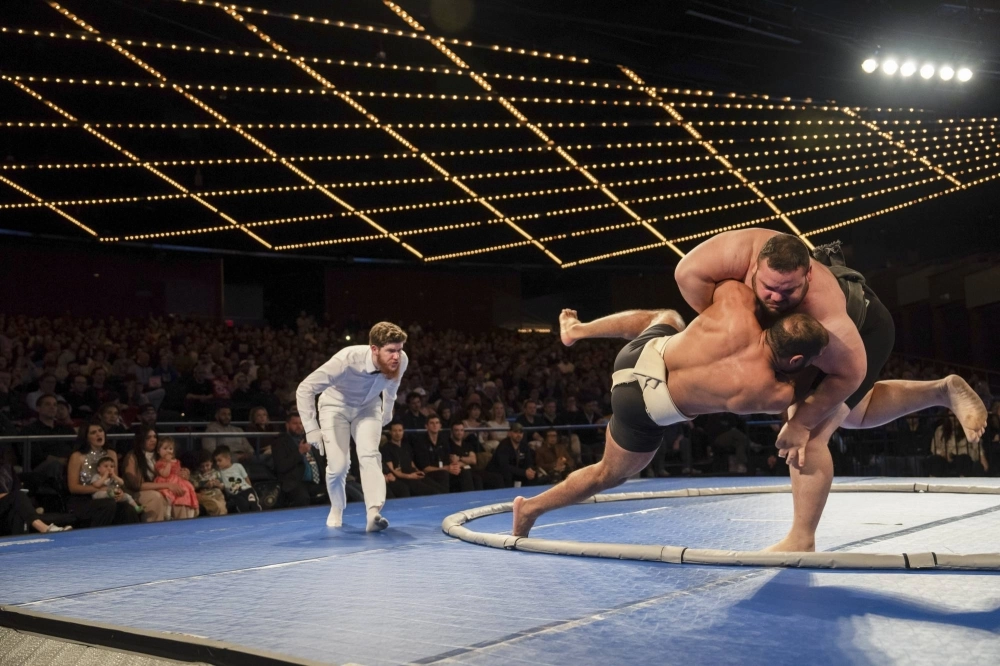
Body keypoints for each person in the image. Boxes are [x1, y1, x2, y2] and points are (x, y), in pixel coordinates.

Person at [674, 230, 988, 551]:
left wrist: (801, 424)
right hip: (808, 336)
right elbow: (686, 274)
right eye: (769, 287)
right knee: (857, 415)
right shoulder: (735, 254)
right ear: (755, 267)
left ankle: (802, 538)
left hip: (865, 331)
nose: (777, 298)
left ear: (808, 273)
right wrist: (731, 324)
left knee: (808, 437)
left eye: (789, 290)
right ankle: (941, 391)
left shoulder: (828, 317)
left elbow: (851, 373)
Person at [511, 285, 829, 537]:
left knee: (669, 317)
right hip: (648, 406)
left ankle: (577, 330)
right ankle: (530, 509)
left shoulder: (737, 301)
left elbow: (716, 274)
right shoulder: (774, 393)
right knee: (606, 475)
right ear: (798, 360)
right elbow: (818, 388)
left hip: (638, 356)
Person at [296, 322, 408, 531]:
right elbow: (305, 388)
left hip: (368, 407)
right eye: (391, 351)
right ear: (374, 349)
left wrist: (387, 410)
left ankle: (373, 513)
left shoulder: (402, 360)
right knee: (338, 467)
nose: (397, 356)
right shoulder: (346, 360)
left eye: (399, 350)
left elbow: (393, 386)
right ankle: (337, 507)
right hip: (335, 407)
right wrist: (311, 428)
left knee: (370, 454)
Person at [66, 420, 141, 528]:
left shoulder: (111, 453)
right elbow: (73, 487)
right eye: (93, 432)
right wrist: (100, 489)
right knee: (108, 504)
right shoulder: (77, 456)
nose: (98, 434)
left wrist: (118, 492)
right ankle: (98, 539)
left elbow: (115, 481)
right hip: (83, 499)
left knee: (127, 507)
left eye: (100, 431)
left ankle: (134, 540)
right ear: (86, 437)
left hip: (108, 496)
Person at [0, 452, 71, 535]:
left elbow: (18, 488)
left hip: (8, 506)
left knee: (18, 509)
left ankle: (20, 543)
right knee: (17, 498)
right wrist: (10, 497)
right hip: (6, 502)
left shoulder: (6, 467)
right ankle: (45, 529)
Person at [271, 411, 327, 508]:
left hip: (317, 482)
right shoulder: (279, 442)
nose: (299, 426)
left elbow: (321, 461)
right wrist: (299, 452)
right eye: (295, 423)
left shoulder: (309, 439)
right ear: (287, 425)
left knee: (336, 493)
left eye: (301, 423)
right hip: (295, 482)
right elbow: (281, 466)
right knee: (303, 498)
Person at [120, 426, 172, 523]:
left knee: (180, 494)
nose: (153, 440)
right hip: (136, 493)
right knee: (155, 496)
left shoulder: (161, 454)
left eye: (154, 437)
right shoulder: (133, 456)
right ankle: (154, 532)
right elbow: (136, 485)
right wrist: (168, 485)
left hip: (160, 489)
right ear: (141, 440)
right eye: (148, 438)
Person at [380, 422, 444, 496]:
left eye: (400, 430)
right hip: (404, 477)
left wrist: (417, 471)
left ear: (403, 431)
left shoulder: (406, 446)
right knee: (431, 491)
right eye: (395, 431)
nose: (397, 433)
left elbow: (411, 462)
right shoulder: (386, 448)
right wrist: (410, 476)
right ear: (390, 432)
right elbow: (392, 470)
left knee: (440, 489)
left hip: (414, 474)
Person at [154, 437, 199, 519]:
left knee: (189, 487)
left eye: (170, 449)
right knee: (169, 493)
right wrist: (168, 462)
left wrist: (184, 473)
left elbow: (178, 472)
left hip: (177, 481)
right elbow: (165, 474)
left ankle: (191, 509)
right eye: (165, 448)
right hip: (166, 481)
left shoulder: (177, 461)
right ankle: (168, 509)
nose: (168, 451)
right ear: (158, 451)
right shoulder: (160, 463)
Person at [485, 423, 539, 488]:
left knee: (533, 475)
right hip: (498, 471)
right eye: (516, 432)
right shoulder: (504, 445)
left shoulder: (524, 445)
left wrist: (529, 470)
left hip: (516, 471)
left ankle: (530, 496)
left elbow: (529, 461)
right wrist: (524, 472)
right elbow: (504, 466)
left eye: (521, 433)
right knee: (507, 475)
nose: (518, 435)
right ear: (510, 433)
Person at [214, 445, 261, 513]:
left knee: (253, 504)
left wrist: (250, 488)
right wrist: (218, 485)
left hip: (247, 489)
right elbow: (222, 486)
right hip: (235, 494)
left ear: (228, 459)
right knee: (243, 506)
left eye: (219, 460)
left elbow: (246, 478)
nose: (217, 463)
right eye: (216, 461)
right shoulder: (220, 472)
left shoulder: (238, 466)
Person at [190, 450, 227, 516]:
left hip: (217, 495)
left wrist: (218, 485)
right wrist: (204, 485)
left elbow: (223, 486)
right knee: (216, 506)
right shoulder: (196, 475)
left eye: (207, 465)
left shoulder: (216, 473)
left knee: (222, 508)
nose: (205, 468)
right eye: (202, 466)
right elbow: (193, 486)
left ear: (211, 463)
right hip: (205, 496)